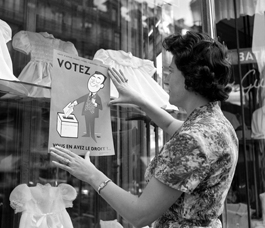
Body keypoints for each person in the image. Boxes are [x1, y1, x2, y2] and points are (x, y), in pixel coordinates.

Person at [49, 31, 238, 228]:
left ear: (190, 78)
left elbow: (139, 215)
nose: (166, 78)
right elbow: (172, 126)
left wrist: (91, 174)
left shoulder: (193, 139)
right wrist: (139, 100)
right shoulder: (216, 125)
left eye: (171, 71)